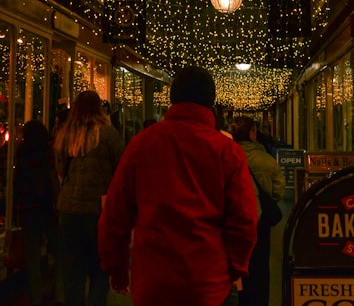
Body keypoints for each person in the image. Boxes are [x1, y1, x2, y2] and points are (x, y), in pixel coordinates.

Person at [98, 66, 257, 306]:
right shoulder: (227, 151)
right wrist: (235, 268)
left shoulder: (142, 143)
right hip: (207, 282)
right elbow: (244, 219)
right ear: (210, 101)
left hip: (153, 281)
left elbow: (115, 214)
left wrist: (117, 268)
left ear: (172, 98)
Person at [54, 91, 123, 306]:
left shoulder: (65, 135)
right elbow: (121, 169)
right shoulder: (108, 134)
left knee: (73, 270)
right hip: (97, 211)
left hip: (68, 210)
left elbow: (60, 170)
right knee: (99, 267)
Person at [229, 116, 285, 306]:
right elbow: (278, 190)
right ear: (253, 133)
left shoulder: (227, 154)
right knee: (260, 267)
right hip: (260, 224)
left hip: (234, 220)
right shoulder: (266, 160)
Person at [14, 120, 63, 306]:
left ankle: (36, 296)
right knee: (59, 249)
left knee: (32, 254)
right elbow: (52, 177)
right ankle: (58, 291)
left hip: (28, 208)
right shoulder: (47, 151)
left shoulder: (22, 151)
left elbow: (18, 180)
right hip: (46, 207)